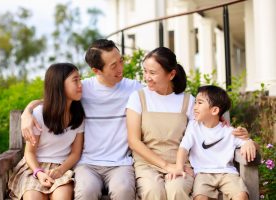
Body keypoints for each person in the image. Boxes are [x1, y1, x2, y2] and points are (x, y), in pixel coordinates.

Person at [20, 39, 142, 200]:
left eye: (121, 61)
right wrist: (27, 113)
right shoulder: (82, 89)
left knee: (124, 191)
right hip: (88, 163)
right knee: (85, 192)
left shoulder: (134, 89)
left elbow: (157, 101)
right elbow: (51, 100)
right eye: (113, 65)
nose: (121, 68)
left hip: (120, 163)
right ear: (96, 70)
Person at [126, 47, 251, 200]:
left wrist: (225, 124)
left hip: (180, 163)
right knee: (153, 192)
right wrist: (166, 165)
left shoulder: (188, 101)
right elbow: (133, 141)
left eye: (152, 73)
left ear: (171, 74)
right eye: (145, 71)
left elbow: (205, 125)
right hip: (147, 164)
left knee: (177, 190)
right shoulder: (138, 98)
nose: (147, 77)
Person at [8, 63, 85, 200]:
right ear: (60, 85)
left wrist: (60, 170)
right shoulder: (39, 115)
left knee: (62, 197)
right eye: (75, 80)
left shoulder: (78, 115)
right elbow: (29, 152)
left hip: (63, 167)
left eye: (80, 79)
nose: (80, 84)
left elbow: (75, 153)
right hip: (34, 167)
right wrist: (39, 172)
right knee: (33, 197)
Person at [166, 85, 257, 200]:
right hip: (202, 174)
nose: (194, 107)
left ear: (214, 110)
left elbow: (249, 144)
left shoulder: (228, 131)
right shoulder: (193, 127)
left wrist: (249, 142)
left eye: (199, 103)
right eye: (195, 103)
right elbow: (183, 148)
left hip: (227, 173)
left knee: (241, 195)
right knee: (200, 197)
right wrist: (179, 167)